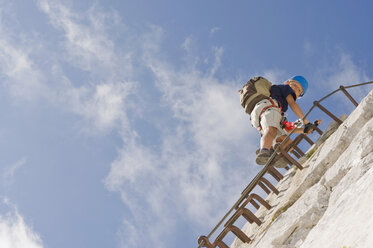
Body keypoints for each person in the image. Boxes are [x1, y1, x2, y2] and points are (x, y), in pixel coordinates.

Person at [250, 75, 316, 166]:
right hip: (268, 107)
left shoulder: (280, 108)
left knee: (287, 141)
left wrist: (303, 130)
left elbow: (287, 127)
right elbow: (293, 104)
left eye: (299, 91)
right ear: (288, 83)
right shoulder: (285, 88)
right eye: (295, 85)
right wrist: (306, 122)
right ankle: (264, 151)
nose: (296, 90)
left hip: (259, 115)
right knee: (271, 130)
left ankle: (273, 156)